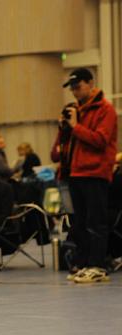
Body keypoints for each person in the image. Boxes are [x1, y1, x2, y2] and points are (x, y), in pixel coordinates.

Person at [51, 68, 118, 283]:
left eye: (78, 87)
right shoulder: (77, 111)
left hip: (96, 172)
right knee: (80, 222)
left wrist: (76, 126)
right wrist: (64, 128)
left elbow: (100, 140)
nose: (74, 92)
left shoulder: (105, 110)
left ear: (91, 83)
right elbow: (60, 151)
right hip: (76, 173)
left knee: (96, 222)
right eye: (72, 88)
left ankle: (98, 265)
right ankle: (85, 263)